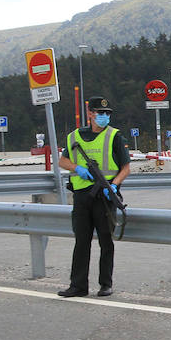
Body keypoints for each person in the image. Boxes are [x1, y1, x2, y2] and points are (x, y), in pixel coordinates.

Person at [57, 97, 131, 297]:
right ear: (90, 114)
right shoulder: (75, 137)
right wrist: (77, 168)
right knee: (81, 241)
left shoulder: (115, 136)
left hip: (105, 196)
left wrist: (114, 186)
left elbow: (126, 168)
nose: (104, 117)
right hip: (82, 197)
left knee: (106, 241)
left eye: (107, 113)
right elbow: (62, 161)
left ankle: (105, 284)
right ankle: (78, 286)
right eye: (100, 113)